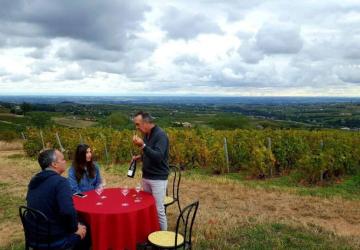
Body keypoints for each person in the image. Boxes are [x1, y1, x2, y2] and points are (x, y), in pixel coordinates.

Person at [26, 149, 88, 249]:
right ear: (54, 164)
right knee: (86, 226)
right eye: (63, 159)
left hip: (34, 235)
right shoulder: (60, 182)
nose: (65, 161)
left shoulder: (34, 180)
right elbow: (68, 211)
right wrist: (76, 229)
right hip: (53, 240)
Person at [132, 111, 170, 230]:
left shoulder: (161, 135)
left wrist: (143, 146)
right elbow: (150, 153)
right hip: (146, 177)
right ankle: (151, 234)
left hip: (158, 178)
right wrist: (140, 157)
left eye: (138, 124)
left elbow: (158, 157)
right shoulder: (146, 134)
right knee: (147, 208)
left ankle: (163, 241)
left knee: (159, 210)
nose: (136, 128)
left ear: (147, 123)